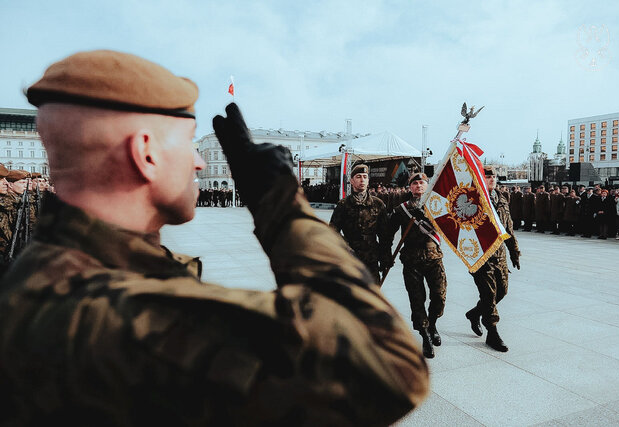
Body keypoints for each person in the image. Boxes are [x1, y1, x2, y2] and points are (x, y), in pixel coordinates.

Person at [0, 50, 428, 425]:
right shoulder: (105, 313)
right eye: (189, 143)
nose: (201, 163)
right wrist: (280, 205)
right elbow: (386, 362)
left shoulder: (51, 271)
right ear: (145, 152)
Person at [387, 172, 448, 359]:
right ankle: (424, 335)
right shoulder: (402, 209)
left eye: (422, 183)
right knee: (417, 299)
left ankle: (432, 324)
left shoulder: (437, 205)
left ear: (427, 185)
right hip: (412, 259)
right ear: (410, 187)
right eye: (415, 183)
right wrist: (386, 255)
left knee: (439, 296)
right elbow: (389, 232)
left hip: (434, 258)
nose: (419, 186)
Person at [465, 167, 520, 352]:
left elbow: (508, 227)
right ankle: (492, 332)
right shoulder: (473, 198)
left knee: (502, 292)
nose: (492, 179)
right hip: (481, 255)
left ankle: (475, 313)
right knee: (488, 295)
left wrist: (514, 251)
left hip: (500, 255)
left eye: (494, 176)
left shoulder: (502, 198)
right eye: (487, 176)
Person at [330, 164, 392, 283]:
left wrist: (386, 257)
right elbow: (332, 232)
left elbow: (385, 235)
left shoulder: (378, 204)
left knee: (372, 297)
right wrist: (346, 247)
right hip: (350, 259)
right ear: (351, 181)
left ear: (368, 181)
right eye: (358, 177)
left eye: (365, 177)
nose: (362, 180)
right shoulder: (343, 205)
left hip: (372, 259)